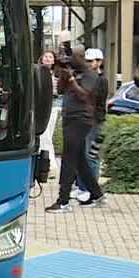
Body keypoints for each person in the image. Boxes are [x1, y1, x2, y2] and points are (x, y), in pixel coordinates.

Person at [46, 46, 106, 213]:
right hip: (69, 118)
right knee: (79, 160)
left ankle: (63, 201)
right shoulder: (73, 73)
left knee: (69, 159)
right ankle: (97, 194)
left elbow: (84, 95)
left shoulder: (91, 75)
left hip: (81, 120)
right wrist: (65, 77)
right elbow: (60, 91)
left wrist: (72, 80)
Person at [73, 48, 108, 201]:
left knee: (90, 156)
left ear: (99, 62)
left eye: (91, 61)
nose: (88, 64)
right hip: (83, 121)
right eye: (86, 61)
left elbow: (93, 99)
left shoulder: (101, 80)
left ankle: (91, 190)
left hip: (94, 121)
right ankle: (81, 187)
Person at [37, 50, 60, 174]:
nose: (47, 59)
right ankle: (48, 162)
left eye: (50, 57)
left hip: (52, 106)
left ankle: (50, 163)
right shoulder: (37, 72)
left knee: (47, 135)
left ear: (54, 60)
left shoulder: (56, 75)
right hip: (40, 106)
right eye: (45, 56)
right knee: (43, 135)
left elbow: (58, 91)